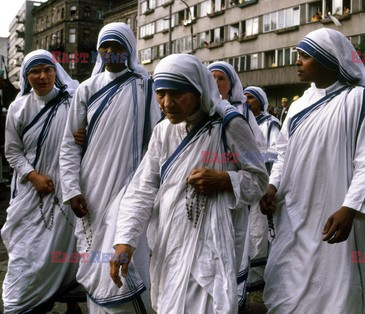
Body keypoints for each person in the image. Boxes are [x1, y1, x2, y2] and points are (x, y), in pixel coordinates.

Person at [110, 54, 269, 313]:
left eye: (178, 94)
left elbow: (259, 179)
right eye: (161, 94)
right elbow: (142, 188)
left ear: (198, 90)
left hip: (212, 242)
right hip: (170, 241)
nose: (167, 103)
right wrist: (125, 241)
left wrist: (224, 179)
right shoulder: (163, 131)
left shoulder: (230, 125)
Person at [261, 28, 365, 313]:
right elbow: (282, 154)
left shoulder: (361, 100)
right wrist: (272, 185)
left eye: (305, 56)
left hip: (336, 213)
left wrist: (350, 208)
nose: (298, 62)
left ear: (328, 59)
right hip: (295, 210)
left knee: (337, 289)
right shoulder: (298, 105)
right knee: (289, 286)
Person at [59, 22, 160, 312]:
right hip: (91, 189)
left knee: (128, 250)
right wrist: (72, 189)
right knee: (94, 259)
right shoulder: (86, 89)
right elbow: (69, 145)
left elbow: (154, 137)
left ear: (129, 49)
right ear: (99, 51)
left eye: (117, 47)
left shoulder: (145, 85)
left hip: (129, 187)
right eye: (105, 47)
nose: (111, 52)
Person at [2, 49, 82, 313]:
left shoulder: (73, 102)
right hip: (30, 189)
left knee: (65, 252)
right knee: (26, 252)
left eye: (47, 70)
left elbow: (90, 139)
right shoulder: (18, 108)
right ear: (27, 76)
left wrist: (86, 136)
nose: (42, 76)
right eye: (35, 71)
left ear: (56, 71)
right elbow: (12, 151)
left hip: (65, 186)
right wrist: (34, 176)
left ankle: (64, 298)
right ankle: (24, 302)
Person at [208, 61, 267, 307]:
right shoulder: (202, 109)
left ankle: (234, 300)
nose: (215, 83)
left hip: (233, 193)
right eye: (210, 77)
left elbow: (259, 150)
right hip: (204, 195)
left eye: (221, 78)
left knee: (232, 250)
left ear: (231, 84)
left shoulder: (241, 113)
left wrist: (228, 166)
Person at [243, 86, 280, 290]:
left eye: (251, 98)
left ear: (260, 101)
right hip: (244, 182)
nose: (246, 101)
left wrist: (253, 159)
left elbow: (277, 152)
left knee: (258, 229)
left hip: (263, 181)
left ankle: (258, 275)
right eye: (244, 97)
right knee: (245, 228)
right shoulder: (241, 121)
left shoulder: (270, 124)